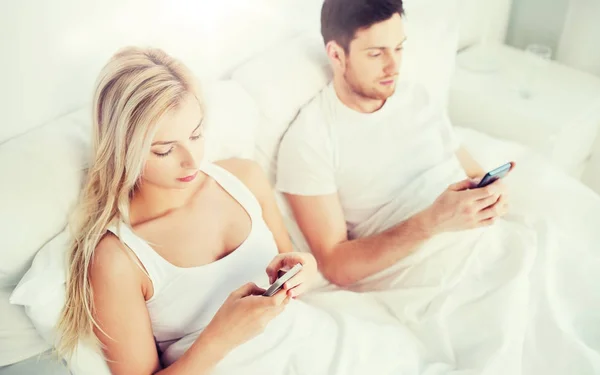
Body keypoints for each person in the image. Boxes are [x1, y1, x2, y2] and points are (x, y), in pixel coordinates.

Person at [55, 46, 453, 375]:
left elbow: (302, 270)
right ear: (123, 147)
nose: (192, 159)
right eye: (164, 149)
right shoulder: (118, 259)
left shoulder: (241, 177)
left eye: (196, 134)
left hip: (322, 348)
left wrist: (304, 271)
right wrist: (222, 336)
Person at [276, 0, 600, 374]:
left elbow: (463, 163)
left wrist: (487, 193)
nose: (393, 66)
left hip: (495, 241)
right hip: (438, 278)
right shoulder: (310, 140)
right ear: (336, 54)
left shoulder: (415, 96)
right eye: (377, 53)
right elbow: (334, 264)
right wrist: (433, 222)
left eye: (399, 48)